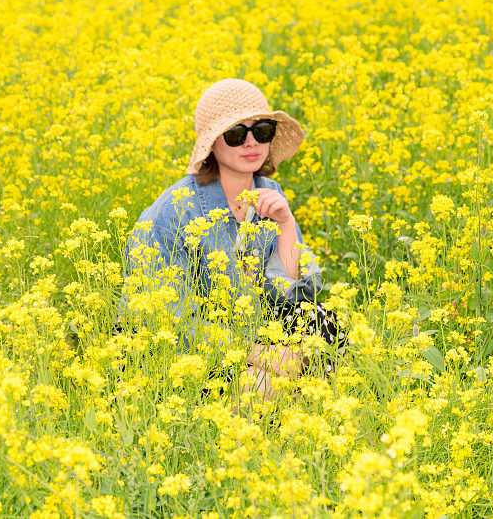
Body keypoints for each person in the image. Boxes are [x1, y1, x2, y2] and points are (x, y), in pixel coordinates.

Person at [124, 78, 346, 402]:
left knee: (324, 322)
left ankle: (279, 396)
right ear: (212, 143)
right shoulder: (174, 211)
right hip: (192, 349)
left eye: (263, 130)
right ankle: (283, 397)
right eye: (236, 133)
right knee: (260, 386)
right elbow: (165, 320)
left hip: (250, 333)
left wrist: (286, 223)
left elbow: (293, 295)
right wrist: (257, 354)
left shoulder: (270, 193)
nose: (251, 143)